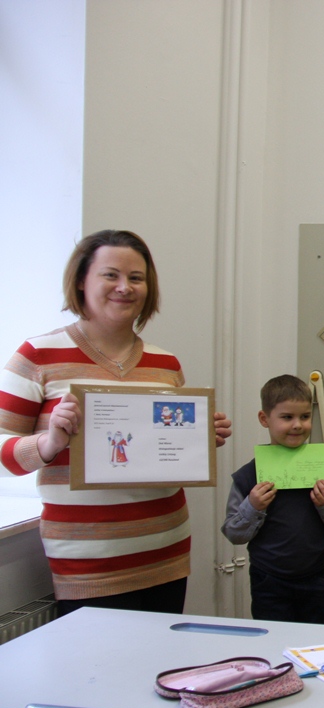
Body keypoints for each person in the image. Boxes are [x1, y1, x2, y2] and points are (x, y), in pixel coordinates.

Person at [0, 229, 232, 615]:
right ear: (81, 280)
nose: (124, 287)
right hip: (87, 563)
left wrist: (199, 440)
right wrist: (49, 443)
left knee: (159, 654)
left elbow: (163, 449)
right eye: (110, 275)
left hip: (166, 552)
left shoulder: (165, 363)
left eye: (136, 278)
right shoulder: (37, 355)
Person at [221, 374, 324, 624]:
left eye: (305, 416)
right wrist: (252, 506)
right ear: (265, 419)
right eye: (287, 417)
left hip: (317, 576)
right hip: (269, 579)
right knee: (273, 638)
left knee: (316, 638)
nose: (297, 425)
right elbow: (233, 533)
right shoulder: (248, 477)